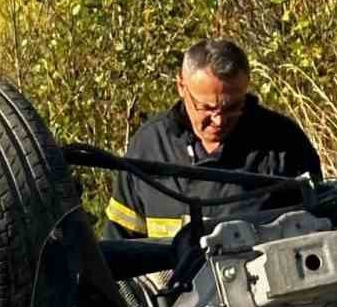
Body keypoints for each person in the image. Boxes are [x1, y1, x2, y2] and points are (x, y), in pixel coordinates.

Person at [103, 38, 323, 240]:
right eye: (206, 108)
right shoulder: (149, 146)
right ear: (181, 87)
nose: (219, 120)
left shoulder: (284, 143)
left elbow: (319, 231)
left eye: (233, 107)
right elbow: (119, 242)